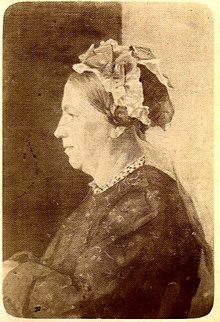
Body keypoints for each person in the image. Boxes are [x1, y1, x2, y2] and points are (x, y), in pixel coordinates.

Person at [3, 39, 213, 318]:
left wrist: (10, 277)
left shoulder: (147, 204)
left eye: (72, 115)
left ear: (118, 123)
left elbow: (86, 308)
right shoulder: (110, 190)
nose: (58, 130)